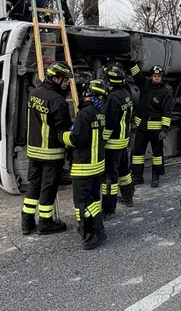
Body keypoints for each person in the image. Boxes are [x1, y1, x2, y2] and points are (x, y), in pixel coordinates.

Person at [21, 61, 74, 236]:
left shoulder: (34, 93)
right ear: (56, 78)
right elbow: (62, 131)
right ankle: (45, 222)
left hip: (34, 150)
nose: (68, 83)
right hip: (51, 152)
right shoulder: (58, 100)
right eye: (66, 79)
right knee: (48, 188)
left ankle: (27, 222)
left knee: (34, 185)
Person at [63, 79, 108, 250]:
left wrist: (64, 136)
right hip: (97, 165)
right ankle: (99, 229)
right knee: (94, 200)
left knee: (82, 202)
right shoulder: (100, 113)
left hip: (83, 166)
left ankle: (90, 234)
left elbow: (78, 140)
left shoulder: (84, 114)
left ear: (90, 94)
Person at [129, 63, 173, 188]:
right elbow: (137, 75)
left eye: (159, 76)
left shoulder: (166, 92)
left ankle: (155, 177)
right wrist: (132, 63)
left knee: (157, 155)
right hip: (142, 128)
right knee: (137, 153)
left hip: (156, 131)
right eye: (154, 75)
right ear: (152, 76)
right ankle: (137, 177)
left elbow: (167, 112)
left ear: (162, 77)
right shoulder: (145, 84)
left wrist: (164, 129)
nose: (156, 78)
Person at [101, 65, 135, 217]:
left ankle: (109, 209)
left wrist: (102, 141)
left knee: (110, 177)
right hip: (123, 140)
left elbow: (109, 124)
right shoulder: (126, 93)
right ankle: (128, 197)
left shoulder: (113, 98)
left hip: (113, 143)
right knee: (124, 171)